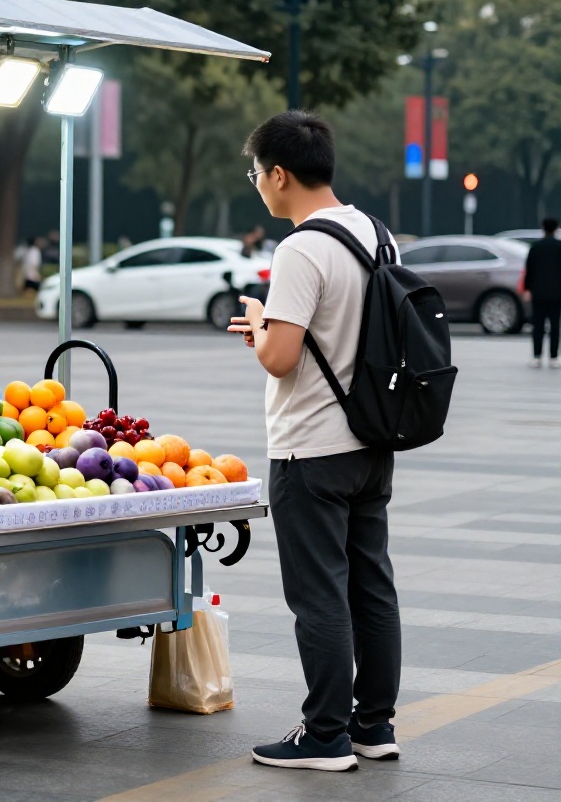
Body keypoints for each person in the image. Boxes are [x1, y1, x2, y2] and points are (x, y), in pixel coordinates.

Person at [228, 111, 400, 772]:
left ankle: (325, 735)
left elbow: (280, 358)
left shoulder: (300, 248)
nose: (258, 187)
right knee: (371, 585)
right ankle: (373, 725)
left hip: (311, 447)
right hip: (372, 439)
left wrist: (259, 325)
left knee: (320, 594)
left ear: (279, 174)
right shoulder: (377, 234)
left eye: (257, 175)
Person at [522, 217, 561, 368]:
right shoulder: (559, 247)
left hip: (538, 292)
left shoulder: (535, 247)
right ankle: (553, 357)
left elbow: (529, 270)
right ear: (556, 228)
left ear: (543, 228)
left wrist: (527, 289)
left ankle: (537, 356)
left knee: (538, 325)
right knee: (554, 326)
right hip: (557, 293)